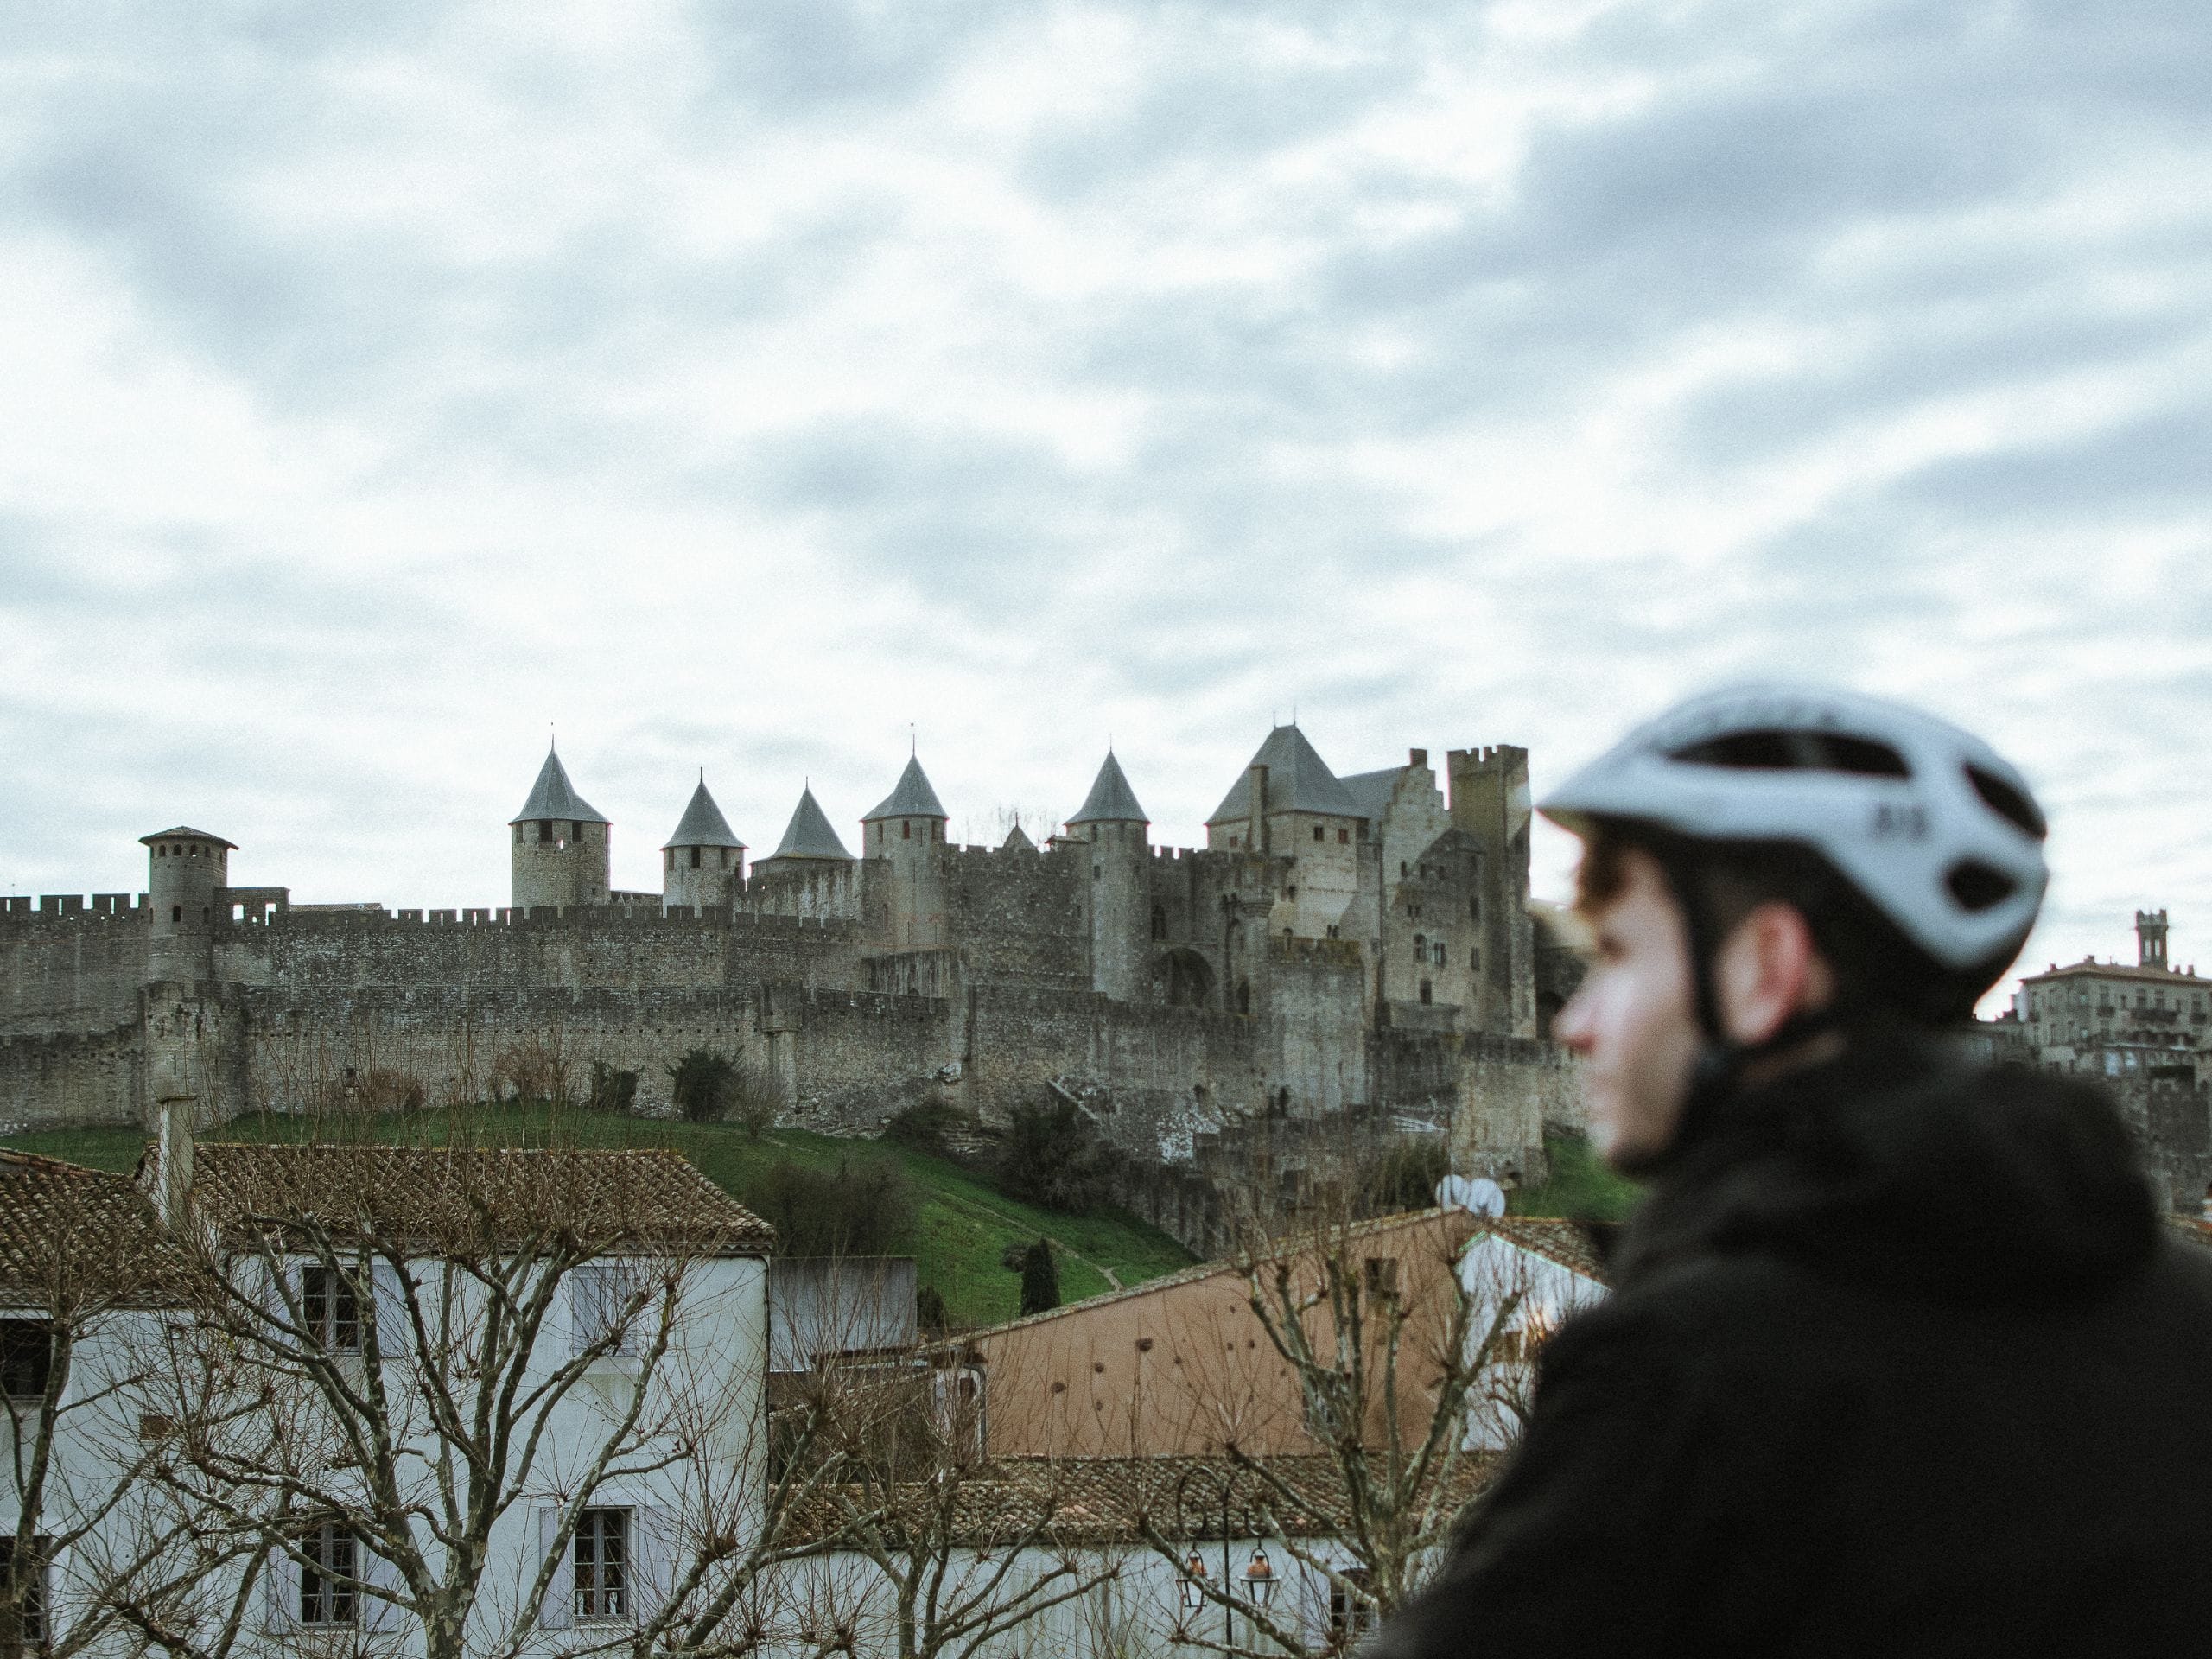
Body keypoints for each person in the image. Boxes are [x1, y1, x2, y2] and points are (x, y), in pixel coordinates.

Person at [1372, 683, 2212, 1657]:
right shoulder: (2188, 1321)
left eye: (1616, 953)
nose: (1575, 1020)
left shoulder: (1687, 1379)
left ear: (1764, 969)